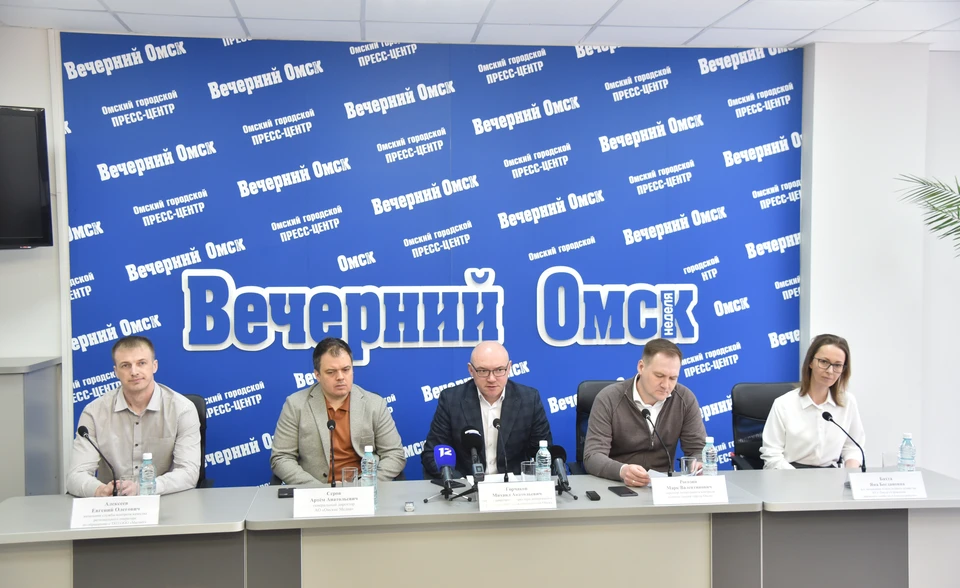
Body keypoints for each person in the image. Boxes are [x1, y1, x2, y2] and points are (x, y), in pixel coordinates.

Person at [66, 336, 201, 497]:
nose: (134, 371)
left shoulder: (182, 410)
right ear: (116, 372)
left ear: (154, 366)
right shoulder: (94, 413)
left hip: (165, 500)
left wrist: (143, 488)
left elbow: (189, 473)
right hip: (112, 504)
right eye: (125, 365)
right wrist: (99, 490)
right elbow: (76, 475)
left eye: (141, 363)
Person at [271, 337, 405, 484]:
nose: (340, 377)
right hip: (315, 489)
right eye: (331, 372)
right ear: (317, 375)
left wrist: (365, 485)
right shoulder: (295, 405)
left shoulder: (375, 404)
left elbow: (394, 454)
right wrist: (317, 489)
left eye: (346, 370)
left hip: (364, 487)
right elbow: (281, 458)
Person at [583, 338, 706, 486]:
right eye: (659, 376)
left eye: (673, 378)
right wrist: (622, 470)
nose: (666, 385)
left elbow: (697, 449)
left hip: (664, 487)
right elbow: (593, 456)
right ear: (641, 367)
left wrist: (699, 463)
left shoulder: (684, 399)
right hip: (618, 484)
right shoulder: (609, 399)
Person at [421, 342, 552, 478]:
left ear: (509, 368)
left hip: (513, 486)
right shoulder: (451, 400)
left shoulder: (529, 399)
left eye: (499, 370)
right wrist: (457, 481)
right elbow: (432, 453)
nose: (491, 379)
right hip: (466, 486)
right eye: (483, 371)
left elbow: (543, 451)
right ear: (471, 370)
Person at [761, 333, 864, 469]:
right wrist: (800, 479)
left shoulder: (848, 402)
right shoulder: (783, 404)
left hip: (830, 474)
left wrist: (851, 472)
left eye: (837, 365)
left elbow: (853, 447)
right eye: (824, 362)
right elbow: (772, 455)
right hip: (790, 473)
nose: (830, 371)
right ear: (810, 362)